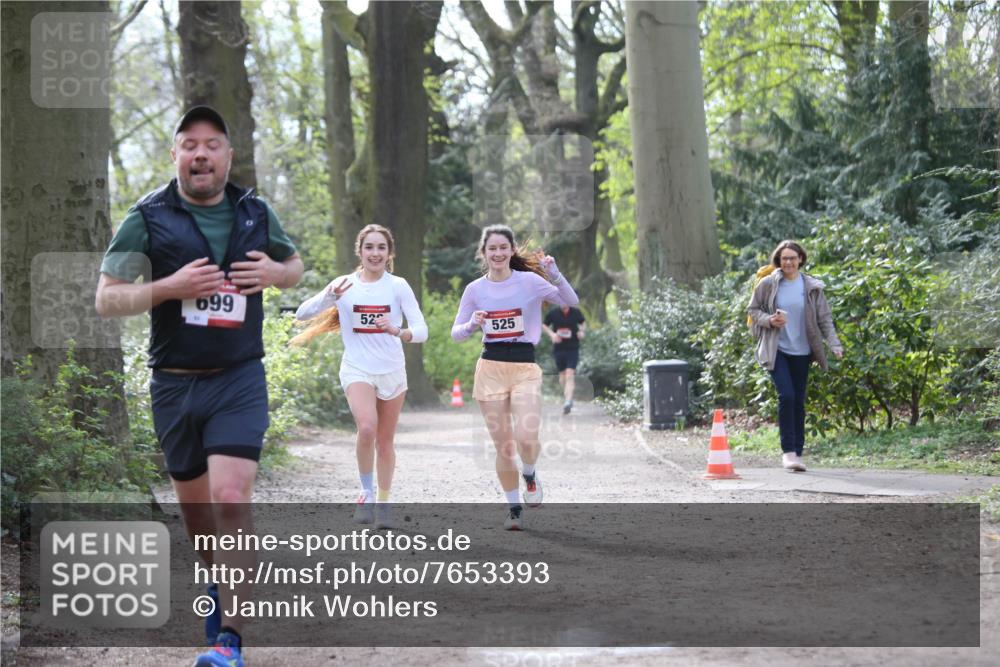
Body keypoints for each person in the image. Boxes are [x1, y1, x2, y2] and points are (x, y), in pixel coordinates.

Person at [95, 106, 304, 667]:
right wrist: (170, 287)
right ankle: (220, 585)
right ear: (176, 155)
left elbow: (294, 266)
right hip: (174, 386)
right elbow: (107, 299)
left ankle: (228, 641)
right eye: (190, 145)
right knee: (199, 521)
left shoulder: (255, 212)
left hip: (238, 379)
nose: (201, 154)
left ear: (228, 156)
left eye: (212, 145)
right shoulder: (147, 217)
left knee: (230, 498)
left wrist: (276, 275)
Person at [293, 224, 427, 530]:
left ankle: (384, 502)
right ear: (360, 251)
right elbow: (302, 313)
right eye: (369, 247)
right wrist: (328, 297)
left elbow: (422, 330)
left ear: (389, 253)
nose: (375, 253)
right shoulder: (344, 285)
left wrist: (398, 331)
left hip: (392, 370)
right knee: (367, 428)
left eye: (381, 247)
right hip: (357, 368)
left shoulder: (398, 286)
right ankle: (366, 494)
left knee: (385, 441)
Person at [452, 225, 579, 530]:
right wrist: (471, 324)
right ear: (483, 253)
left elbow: (571, 300)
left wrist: (554, 273)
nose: (497, 253)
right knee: (505, 447)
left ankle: (530, 474)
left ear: (511, 251)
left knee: (526, 438)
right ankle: (513, 508)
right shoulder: (474, 290)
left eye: (503, 248)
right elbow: (457, 333)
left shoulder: (530, 281)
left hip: (524, 367)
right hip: (490, 368)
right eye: (492, 248)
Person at [747, 240, 843, 472]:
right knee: (787, 396)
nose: (788, 262)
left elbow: (824, 319)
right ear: (778, 261)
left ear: (800, 259)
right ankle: (788, 452)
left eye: (792, 258)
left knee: (798, 401)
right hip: (776, 349)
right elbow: (753, 310)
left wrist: (834, 344)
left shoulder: (811, 287)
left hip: (802, 352)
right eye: (784, 258)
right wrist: (770, 320)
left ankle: (797, 453)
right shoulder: (768, 284)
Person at [542, 305, 586, 414]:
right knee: (562, 376)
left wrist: (581, 331)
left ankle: (567, 401)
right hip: (559, 348)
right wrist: (552, 335)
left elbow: (583, 322)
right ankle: (568, 396)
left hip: (573, 348)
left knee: (570, 373)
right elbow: (544, 324)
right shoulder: (553, 313)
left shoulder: (575, 312)